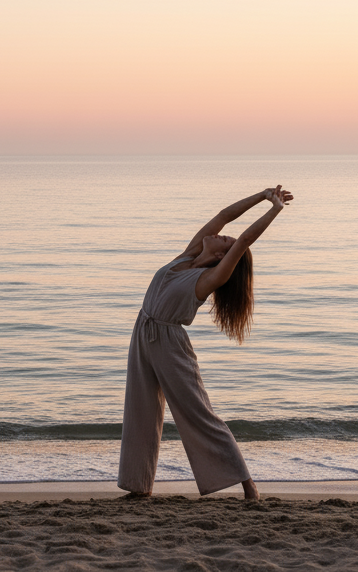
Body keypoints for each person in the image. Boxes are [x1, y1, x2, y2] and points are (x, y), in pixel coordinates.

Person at [117, 185, 293, 501]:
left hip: (170, 342)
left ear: (224, 256)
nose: (222, 234)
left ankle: (246, 483)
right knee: (140, 408)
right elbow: (224, 216)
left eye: (225, 240)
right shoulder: (188, 256)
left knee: (197, 411)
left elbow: (244, 241)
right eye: (224, 236)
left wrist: (275, 209)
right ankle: (139, 486)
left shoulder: (210, 279)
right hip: (143, 331)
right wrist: (262, 195)